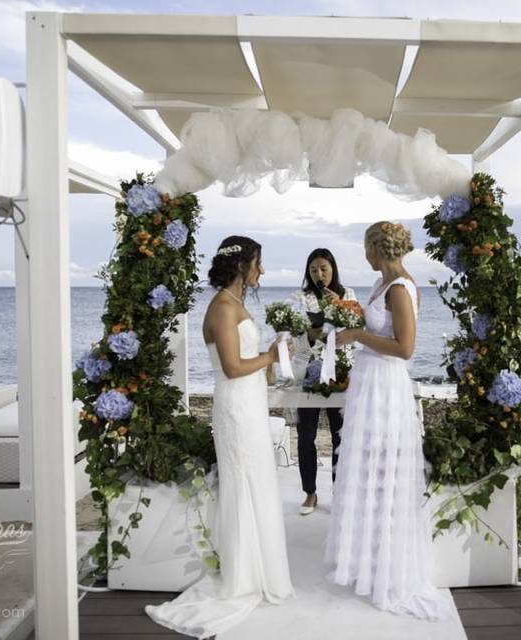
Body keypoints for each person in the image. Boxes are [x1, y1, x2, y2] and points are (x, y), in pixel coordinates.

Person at [146, 236, 294, 638]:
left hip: (248, 402)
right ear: (243, 265)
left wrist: (268, 354)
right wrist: (274, 355)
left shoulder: (235, 305)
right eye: (258, 264)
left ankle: (254, 567)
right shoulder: (223, 308)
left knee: (256, 483)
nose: (261, 271)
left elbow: (246, 362)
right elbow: (231, 366)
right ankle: (243, 577)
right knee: (244, 483)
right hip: (236, 405)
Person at [325, 222, 457, 620]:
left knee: (384, 472)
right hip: (368, 384)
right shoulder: (383, 284)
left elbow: (405, 348)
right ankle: (367, 561)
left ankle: (388, 569)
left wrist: (356, 336)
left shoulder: (400, 287)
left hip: (386, 386)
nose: (363, 253)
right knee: (368, 471)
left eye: (365, 246)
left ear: (377, 248)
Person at [290, 248, 357, 516]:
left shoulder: (347, 293)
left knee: (340, 435)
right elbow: (297, 339)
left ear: (333, 269)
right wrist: (314, 331)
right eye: (314, 269)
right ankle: (310, 493)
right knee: (306, 436)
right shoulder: (301, 298)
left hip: (340, 371)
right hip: (309, 372)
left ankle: (339, 495)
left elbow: (355, 331)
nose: (319, 274)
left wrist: (338, 306)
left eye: (324, 269)